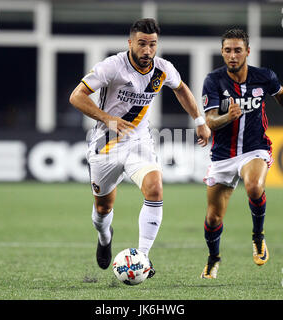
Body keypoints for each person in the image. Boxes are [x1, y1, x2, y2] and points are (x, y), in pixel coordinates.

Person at [69, 18, 211, 278]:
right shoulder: (112, 66)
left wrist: (199, 121)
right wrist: (107, 118)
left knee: (155, 189)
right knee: (103, 208)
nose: (147, 50)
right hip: (106, 143)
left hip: (139, 141)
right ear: (130, 43)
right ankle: (104, 238)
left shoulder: (162, 69)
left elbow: (181, 89)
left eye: (153, 44)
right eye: (142, 44)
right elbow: (76, 96)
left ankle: (143, 257)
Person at [200, 29, 283, 279]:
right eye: (227, 50)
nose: (232, 55)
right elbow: (209, 120)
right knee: (213, 218)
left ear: (247, 51)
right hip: (222, 156)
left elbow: (280, 93)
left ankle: (258, 237)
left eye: (238, 50)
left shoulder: (264, 77)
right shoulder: (213, 80)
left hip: (254, 148)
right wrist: (228, 116)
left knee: (253, 186)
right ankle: (214, 257)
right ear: (222, 52)